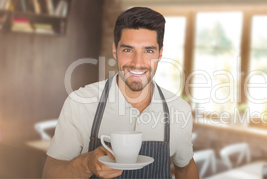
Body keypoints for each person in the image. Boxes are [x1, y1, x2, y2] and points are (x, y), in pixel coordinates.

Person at [43, 7, 198, 178]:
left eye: (148, 51)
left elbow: (185, 168)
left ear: (160, 53)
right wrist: (86, 164)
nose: (137, 63)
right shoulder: (80, 102)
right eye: (128, 50)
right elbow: (50, 174)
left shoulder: (179, 109)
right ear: (115, 51)